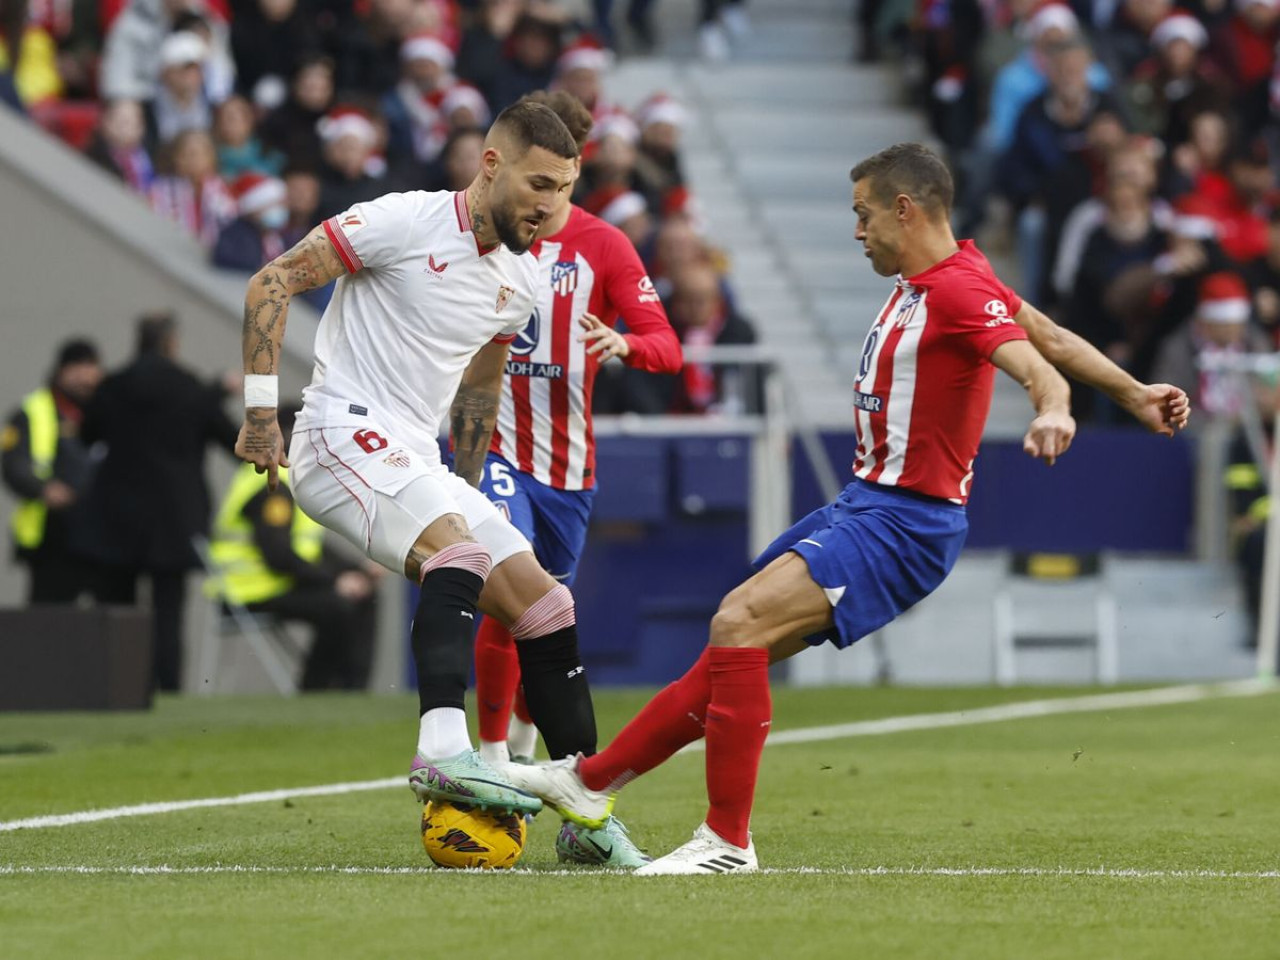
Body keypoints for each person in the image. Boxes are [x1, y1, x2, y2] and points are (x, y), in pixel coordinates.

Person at [508, 143, 1192, 874]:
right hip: (864, 504)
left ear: (906, 209)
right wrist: (1136, 392)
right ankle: (589, 783)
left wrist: (1056, 409)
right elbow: (1050, 334)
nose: (857, 231)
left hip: (906, 523)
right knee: (728, 652)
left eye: (864, 215)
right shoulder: (946, 278)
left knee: (738, 623)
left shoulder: (958, 291)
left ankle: (727, 843)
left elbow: (1036, 363)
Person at [234, 99, 607, 828]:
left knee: (544, 602)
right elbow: (271, 283)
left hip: (415, 456)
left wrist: (463, 490)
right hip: (339, 432)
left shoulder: (520, 283)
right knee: (459, 552)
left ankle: (585, 800)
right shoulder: (402, 222)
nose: (550, 205)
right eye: (538, 184)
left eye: (563, 190)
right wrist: (258, 416)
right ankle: (442, 749)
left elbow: (476, 394)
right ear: (490, 165)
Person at [466, 91, 681, 866]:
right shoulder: (477, 233)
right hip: (495, 450)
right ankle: (489, 759)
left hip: (571, 470)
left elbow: (668, 347)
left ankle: (529, 749)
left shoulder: (606, 249)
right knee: (505, 585)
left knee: (546, 618)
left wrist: (625, 343)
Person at [79, 313, 239, 692]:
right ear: (171, 342)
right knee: (168, 611)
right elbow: (228, 437)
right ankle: (167, 688)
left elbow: (88, 435)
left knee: (118, 607)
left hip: (117, 515)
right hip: (174, 518)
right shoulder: (189, 387)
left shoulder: (113, 386)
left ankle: (119, 687)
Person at [209, 404, 377, 690]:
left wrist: (357, 570)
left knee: (363, 593)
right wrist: (336, 580)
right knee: (339, 607)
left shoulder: (288, 480)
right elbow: (278, 555)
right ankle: (316, 691)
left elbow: (309, 547)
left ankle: (353, 690)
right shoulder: (272, 485)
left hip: (276, 584)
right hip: (252, 590)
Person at [1, 339, 102, 604]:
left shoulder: (104, 411)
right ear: (61, 371)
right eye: (77, 369)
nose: (85, 378)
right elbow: (14, 464)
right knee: (50, 619)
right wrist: (43, 489)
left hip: (99, 530)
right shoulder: (33, 411)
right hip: (52, 532)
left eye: (90, 369)